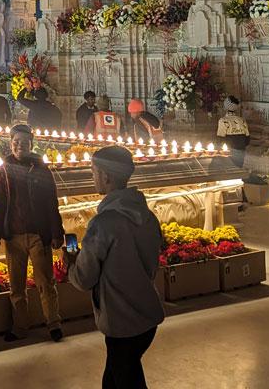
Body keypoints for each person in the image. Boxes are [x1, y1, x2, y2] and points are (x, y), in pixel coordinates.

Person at [65, 146, 164, 389]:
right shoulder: (147, 216)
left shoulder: (104, 223)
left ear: (107, 176)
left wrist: (71, 263)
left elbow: (84, 278)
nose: (92, 176)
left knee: (122, 379)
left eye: (93, 171)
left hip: (122, 322)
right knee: (117, 378)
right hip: (146, 316)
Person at [0, 123, 64, 343]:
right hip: (14, 236)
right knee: (16, 286)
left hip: (38, 235)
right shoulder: (4, 171)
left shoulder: (41, 169)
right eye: (15, 142)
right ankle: (20, 327)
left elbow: (52, 203)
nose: (19, 146)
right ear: (10, 143)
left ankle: (54, 323)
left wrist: (56, 232)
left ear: (31, 144)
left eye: (23, 142)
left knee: (45, 282)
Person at [217, 96, 251, 166]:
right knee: (238, 170)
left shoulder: (223, 121)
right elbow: (247, 138)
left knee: (230, 171)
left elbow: (220, 138)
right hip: (241, 149)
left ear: (225, 107)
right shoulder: (242, 120)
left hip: (230, 150)